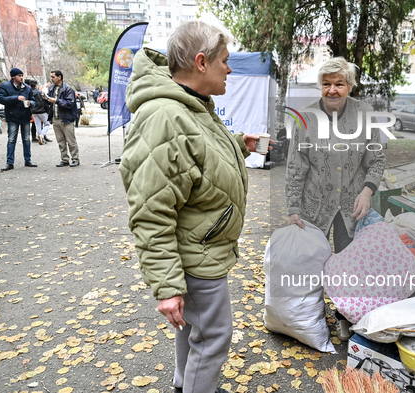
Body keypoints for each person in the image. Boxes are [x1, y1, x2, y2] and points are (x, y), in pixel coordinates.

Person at [119, 20, 261, 393]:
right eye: (224, 61)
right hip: (195, 254)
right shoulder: (166, 116)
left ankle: (186, 385)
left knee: (194, 329)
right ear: (201, 62)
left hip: (204, 245)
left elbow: (194, 155)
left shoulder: (192, 107)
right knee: (214, 336)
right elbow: (150, 212)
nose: (229, 69)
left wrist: (236, 144)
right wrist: (166, 287)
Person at [285, 57, 386, 341]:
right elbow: (296, 167)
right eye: (326, 84)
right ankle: (309, 315)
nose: (332, 90)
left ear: (350, 86)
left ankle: (345, 315)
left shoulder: (364, 114)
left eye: (339, 84)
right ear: (320, 86)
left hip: (353, 204)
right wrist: (293, 208)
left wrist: (367, 191)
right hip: (314, 203)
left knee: (349, 264)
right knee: (311, 263)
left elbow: (377, 160)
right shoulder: (305, 117)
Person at [0, 68, 37, 171]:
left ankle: (28, 160)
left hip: (25, 116)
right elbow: (0, 99)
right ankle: (9, 163)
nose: (21, 77)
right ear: (13, 77)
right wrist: (16, 98)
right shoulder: (5, 86)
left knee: (27, 139)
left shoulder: (27, 88)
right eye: (19, 75)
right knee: (11, 140)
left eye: (22, 75)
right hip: (12, 117)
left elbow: (33, 100)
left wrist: (30, 103)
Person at [46, 70, 80, 167]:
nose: (51, 79)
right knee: (60, 141)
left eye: (53, 77)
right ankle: (64, 160)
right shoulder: (52, 88)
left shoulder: (68, 88)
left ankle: (75, 159)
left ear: (59, 77)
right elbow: (50, 102)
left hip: (67, 119)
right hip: (56, 118)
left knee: (71, 141)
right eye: (51, 77)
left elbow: (70, 103)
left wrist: (56, 101)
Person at [28, 79, 51, 145]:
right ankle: (42, 135)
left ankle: (41, 137)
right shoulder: (40, 92)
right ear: (36, 85)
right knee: (47, 124)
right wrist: (48, 110)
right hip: (42, 110)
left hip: (34, 111)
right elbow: (45, 102)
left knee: (37, 125)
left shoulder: (29, 93)